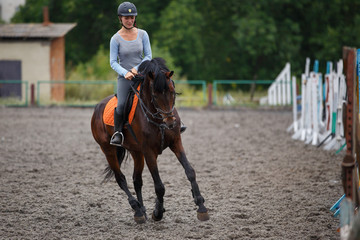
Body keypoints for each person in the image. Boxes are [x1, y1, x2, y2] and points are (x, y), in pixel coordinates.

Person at [109, 1, 152, 146]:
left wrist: (136, 69)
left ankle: (175, 122)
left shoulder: (143, 34)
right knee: (121, 105)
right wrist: (125, 72)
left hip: (142, 73)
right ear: (120, 18)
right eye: (126, 18)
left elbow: (148, 57)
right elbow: (113, 62)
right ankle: (118, 133)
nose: (130, 20)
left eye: (132, 17)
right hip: (125, 78)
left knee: (161, 89)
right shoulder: (115, 39)